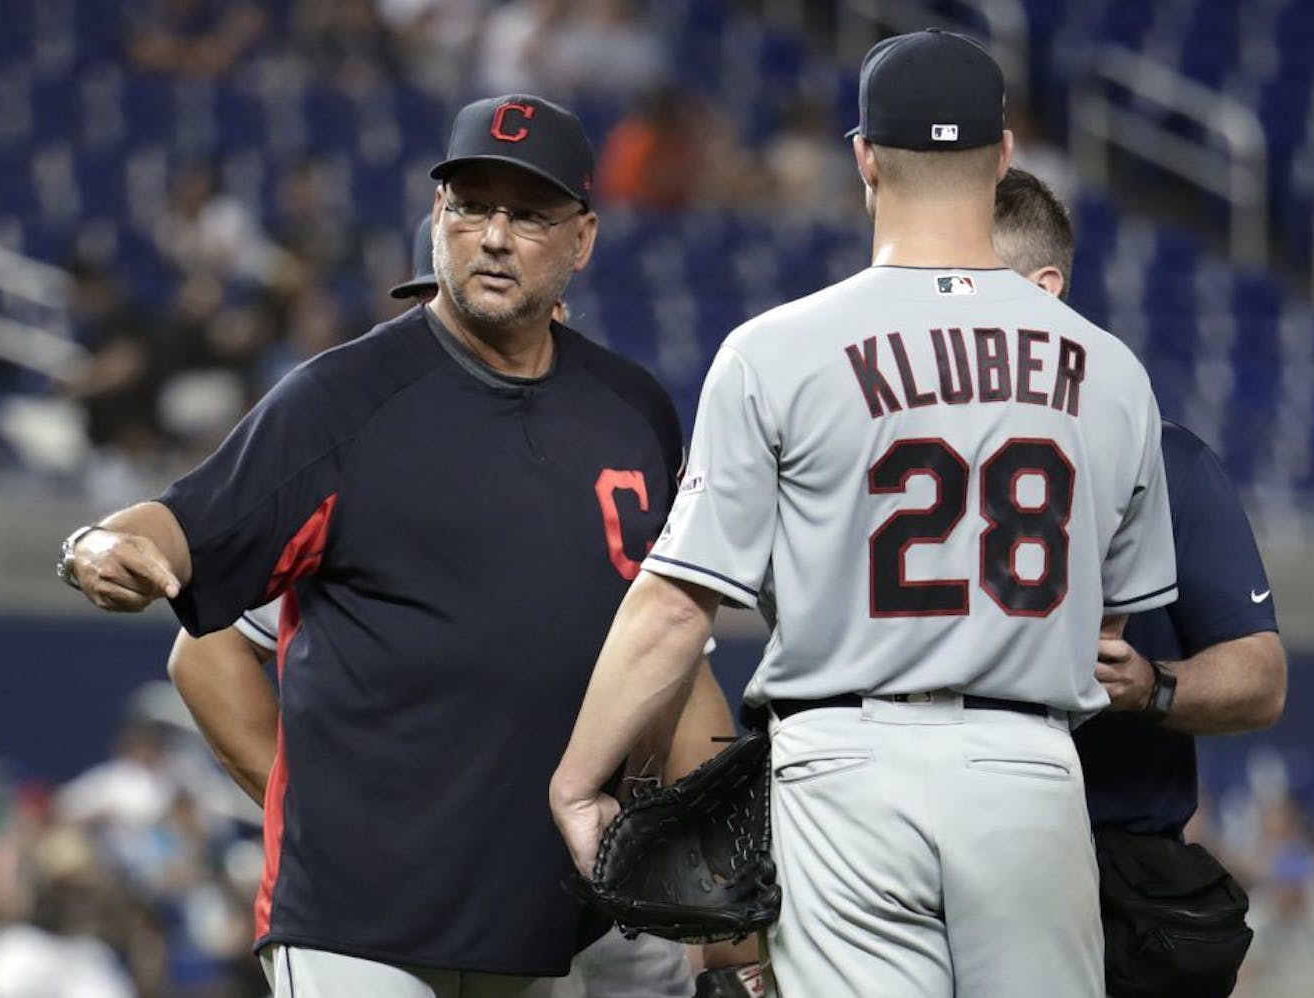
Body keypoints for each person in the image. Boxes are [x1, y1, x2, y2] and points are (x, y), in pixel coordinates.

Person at [550, 29, 1179, 998]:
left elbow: (677, 606)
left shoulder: (775, 350)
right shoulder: (1109, 369)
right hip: (1029, 767)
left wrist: (578, 780)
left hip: (845, 764)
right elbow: (1108, 630)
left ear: (863, 158)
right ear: (1004, 156)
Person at [58, 92, 713, 998]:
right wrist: (96, 544)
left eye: (525, 213)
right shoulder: (341, 399)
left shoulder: (633, 413)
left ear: (584, 237)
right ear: (438, 215)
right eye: (470, 206)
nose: (492, 235)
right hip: (361, 924)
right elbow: (182, 530)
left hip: (552, 916)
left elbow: (668, 641)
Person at [165, 216, 738, 996]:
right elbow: (207, 651)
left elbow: (681, 673)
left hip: (593, 886)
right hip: (399, 910)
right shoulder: (373, 445)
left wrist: (722, 895)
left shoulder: (612, 433)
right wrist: (333, 823)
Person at [993, 166, 1287, 992]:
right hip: (932, 851)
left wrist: (1153, 687)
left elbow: (1260, 680)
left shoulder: (1168, 458)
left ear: (1044, 290)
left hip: (1114, 868)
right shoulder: (902, 454)